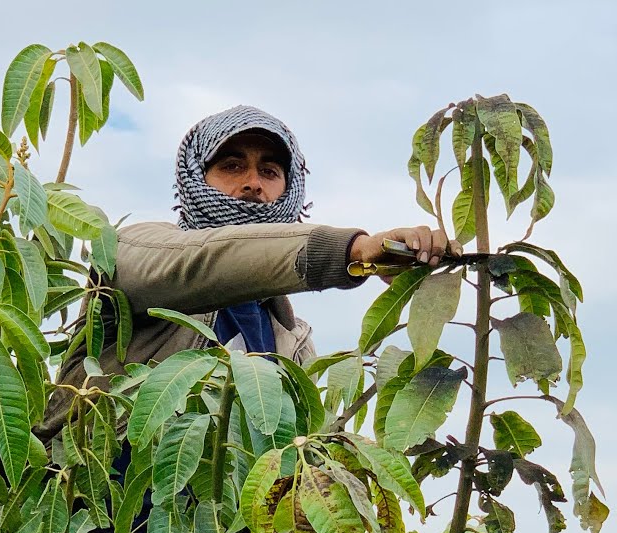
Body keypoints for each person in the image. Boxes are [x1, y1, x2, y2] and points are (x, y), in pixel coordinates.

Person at [37, 105, 459, 440]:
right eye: (232, 166)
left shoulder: (292, 340)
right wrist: (353, 250)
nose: (253, 183)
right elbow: (209, 260)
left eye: (270, 172)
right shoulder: (135, 250)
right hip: (96, 529)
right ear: (194, 178)